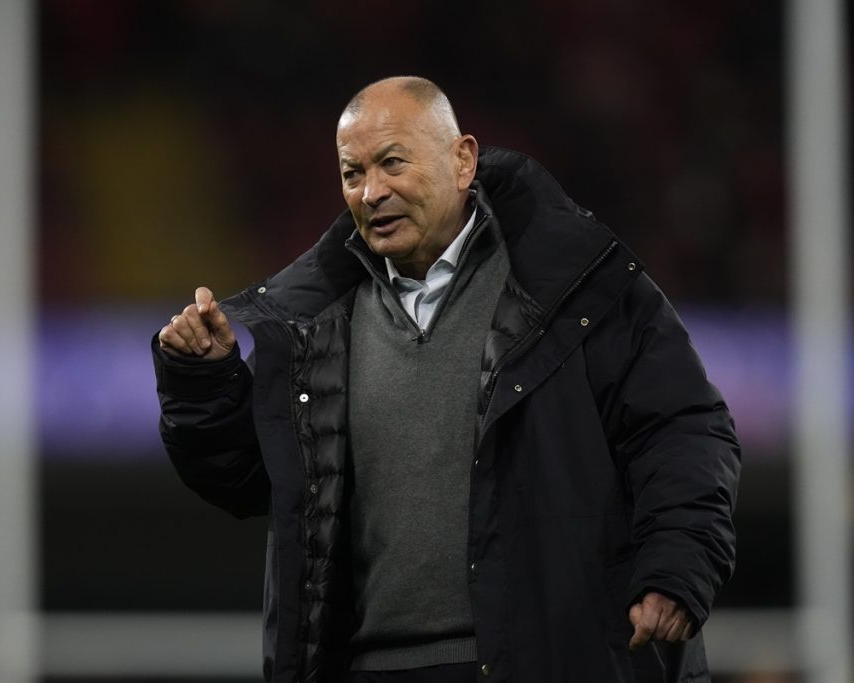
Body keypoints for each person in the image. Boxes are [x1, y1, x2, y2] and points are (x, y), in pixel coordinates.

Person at [153, 76, 740, 683]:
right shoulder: (315, 325)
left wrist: (676, 569)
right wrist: (205, 381)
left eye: (393, 163)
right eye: (353, 174)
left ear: (462, 161)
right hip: (372, 670)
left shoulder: (577, 287)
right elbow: (247, 483)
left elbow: (683, 431)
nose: (372, 192)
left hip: (546, 662)